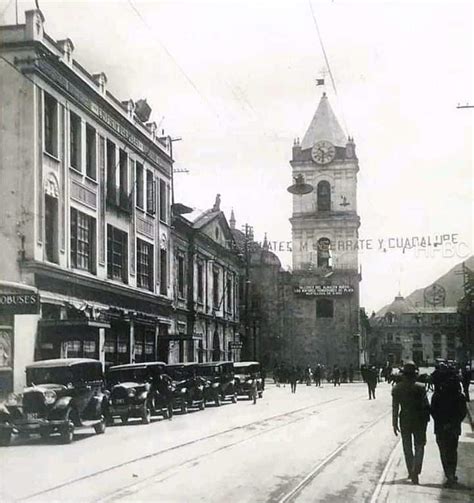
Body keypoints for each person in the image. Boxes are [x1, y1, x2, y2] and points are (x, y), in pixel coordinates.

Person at [392, 362, 431, 485]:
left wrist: (394, 423)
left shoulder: (397, 388)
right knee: (419, 446)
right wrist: (426, 420)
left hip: (405, 420)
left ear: (403, 375)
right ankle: (416, 470)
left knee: (407, 447)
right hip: (419, 420)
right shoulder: (421, 387)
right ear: (415, 374)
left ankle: (410, 470)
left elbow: (395, 408)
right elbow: (426, 406)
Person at [430, 372, 467, 487]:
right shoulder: (460, 396)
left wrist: (443, 423)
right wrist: (452, 424)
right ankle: (452, 474)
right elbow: (462, 413)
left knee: (444, 452)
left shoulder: (437, 395)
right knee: (452, 451)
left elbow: (434, 412)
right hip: (454, 429)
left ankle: (449, 474)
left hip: (441, 428)